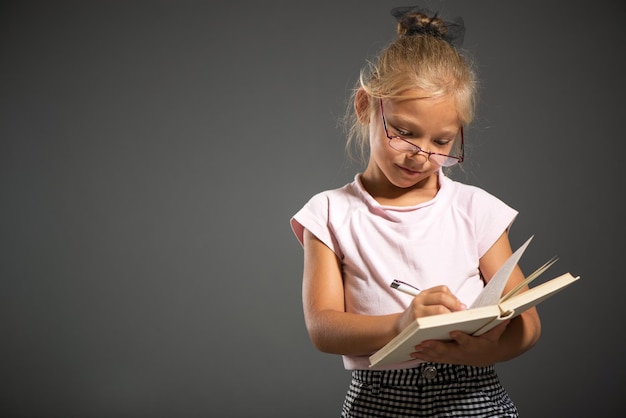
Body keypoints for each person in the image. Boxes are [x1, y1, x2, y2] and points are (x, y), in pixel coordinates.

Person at [290, 5, 541, 417]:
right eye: (404, 132)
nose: (421, 155)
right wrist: (401, 325)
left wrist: (487, 350)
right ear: (366, 106)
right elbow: (323, 327)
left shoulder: (474, 209)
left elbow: (527, 323)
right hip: (379, 401)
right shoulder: (329, 214)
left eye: (442, 142)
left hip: (474, 398)